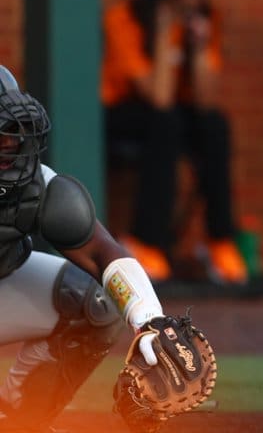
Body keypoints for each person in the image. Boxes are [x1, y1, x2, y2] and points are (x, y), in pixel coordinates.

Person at [0, 64, 185, 429]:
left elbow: (104, 254)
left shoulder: (37, 188)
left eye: (10, 131)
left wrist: (149, 320)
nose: (9, 144)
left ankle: (21, 419)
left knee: (94, 303)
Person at [100, 0, 248, 285]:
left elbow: (206, 101)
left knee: (215, 125)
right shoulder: (124, 19)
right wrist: (166, 31)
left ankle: (220, 239)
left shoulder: (204, 19)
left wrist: (198, 49)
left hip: (170, 117)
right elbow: (159, 97)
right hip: (121, 113)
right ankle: (146, 241)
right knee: (164, 123)